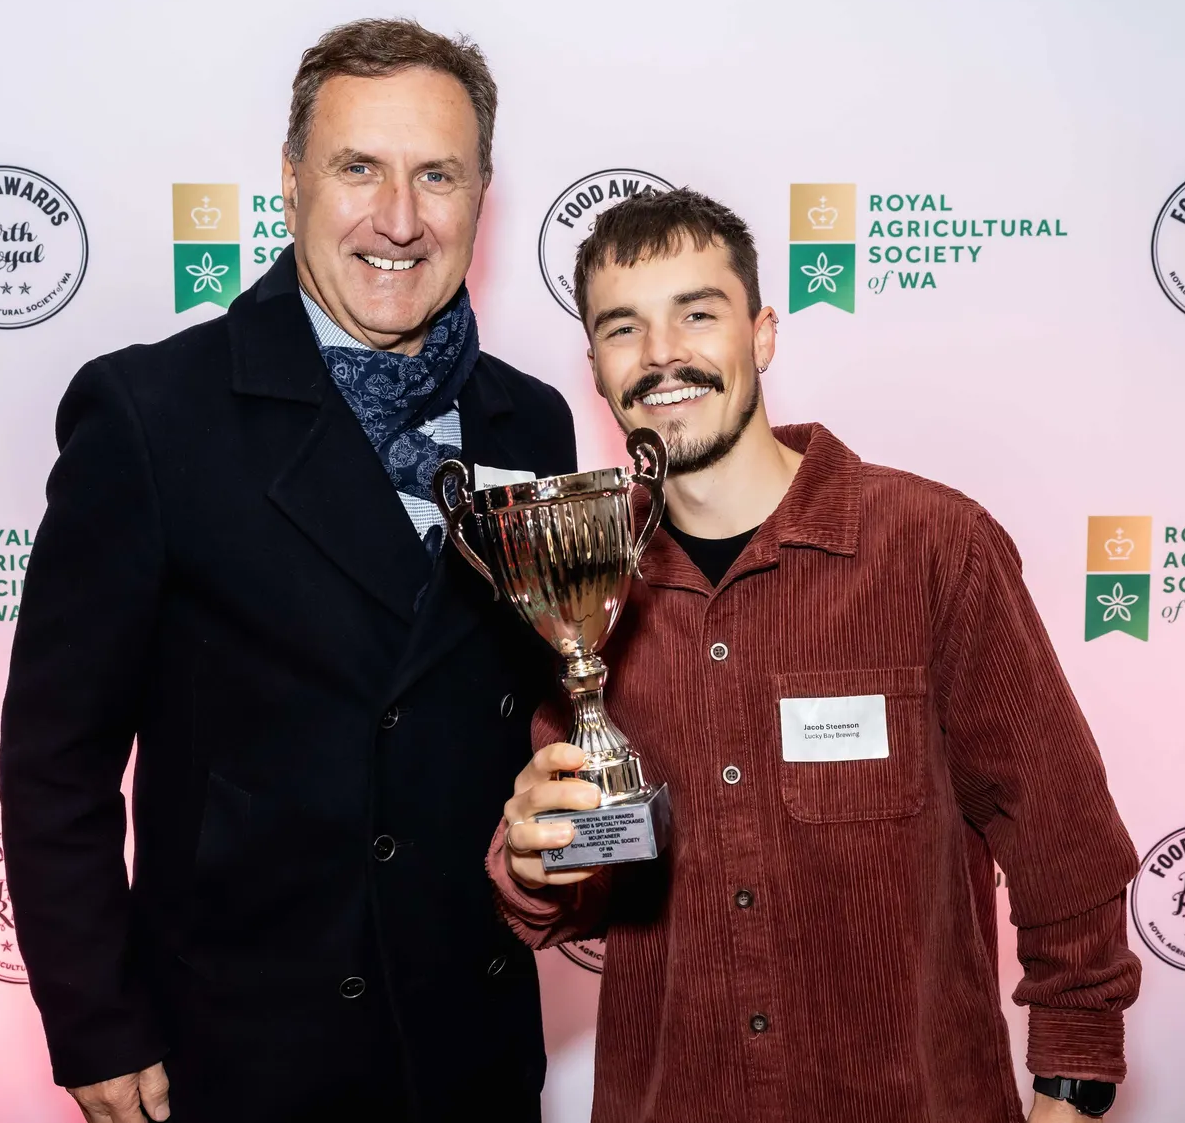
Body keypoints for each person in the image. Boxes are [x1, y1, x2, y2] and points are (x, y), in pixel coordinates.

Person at [0, 19, 576, 1123]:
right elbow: (55, 758)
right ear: (291, 180)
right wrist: (96, 1019)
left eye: (437, 174)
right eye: (359, 168)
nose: (398, 219)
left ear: (482, 196)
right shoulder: (153, 414)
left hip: (474, 1043)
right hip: (245, 1048)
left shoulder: (532, 420)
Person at [489, 188, 1142, 1123]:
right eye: (623, 327)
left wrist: (1070, 1091)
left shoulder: (932, 547)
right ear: (595, 365)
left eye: (697, 313)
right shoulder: (587, 581)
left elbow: (1061, 839)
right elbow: (573, 891)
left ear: (761, 335)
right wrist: (535, 859)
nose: (662, 353)